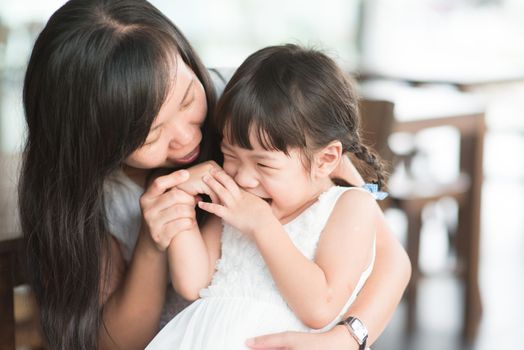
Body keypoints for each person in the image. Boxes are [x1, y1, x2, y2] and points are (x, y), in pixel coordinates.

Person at [18, 1, 410, 350]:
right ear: (98, 143)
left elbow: (389, 258)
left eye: (188, 98)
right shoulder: (84, 192)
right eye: (151, 135)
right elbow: (118, 340)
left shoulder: (255, 109)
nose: (188, 137)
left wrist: (346, 338)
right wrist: (154, 241)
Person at [145, 44, 390, 350]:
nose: (243, 177)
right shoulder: (237, 204)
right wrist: (181, 198)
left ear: (326, 159)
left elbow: (320, 308)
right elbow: (193, 283)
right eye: (229, 155)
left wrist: (262, 226)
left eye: (263, 164)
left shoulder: (349, 206)